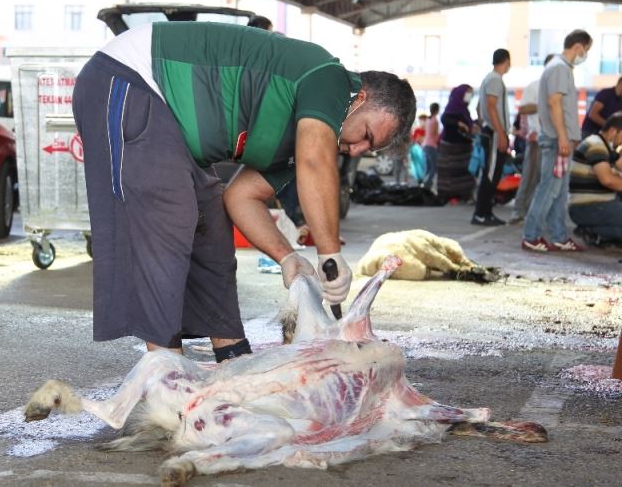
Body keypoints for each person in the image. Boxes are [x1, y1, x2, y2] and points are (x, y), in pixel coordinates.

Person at [71, 22, 416, 360]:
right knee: (169, 216)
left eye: (369, 150)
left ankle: (233, 359)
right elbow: (315, 162)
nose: (357, 150)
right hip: (129, 78)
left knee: (212, 229)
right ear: (360, 99)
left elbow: (241, 197)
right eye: (367, 135)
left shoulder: (297, 139)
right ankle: (166, 375)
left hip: (170, 124)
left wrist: (287, 257)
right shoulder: (330, 79)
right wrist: (329, 253)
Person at [522, 29, 593, 252]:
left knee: (559, 192)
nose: (585, 55)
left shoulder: (560, 67)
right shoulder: (559, 68)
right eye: (586, 50)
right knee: (548, 190)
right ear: (578, 46)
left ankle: (559, 236)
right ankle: (531, 236)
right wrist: (563, 136)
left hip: (559, 139)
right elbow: (554, 103)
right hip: (556, 139)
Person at [509, 54, 556, 224]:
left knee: (548, 180)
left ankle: (537, 213)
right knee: (530, 176)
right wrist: (543, 105)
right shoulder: (534, 86)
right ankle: (519, 211)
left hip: (554, 139)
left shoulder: (560, 90)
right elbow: (523, 109)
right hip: (537, 138)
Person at [568, 111, 622, 246]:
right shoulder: (595, 145)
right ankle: (594, 231)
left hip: (601, 204)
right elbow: (607, 180)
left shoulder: (606, 147)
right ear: (613, 131)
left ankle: (594, 232)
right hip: (589, 206)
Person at [471, 49, 511, 226]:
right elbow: (491, 105)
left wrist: (483, 125)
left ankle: (486, 212)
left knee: (492, 174)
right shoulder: (495, 79)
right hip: (494, 133)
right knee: (490, 174)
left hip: (491, 131)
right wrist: (500, 133)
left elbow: (479, 107)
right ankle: (481, 213)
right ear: (506, 61)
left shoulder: (488, 79)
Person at [437, 84, 477, 203]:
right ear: (461, 94)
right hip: (450, 149)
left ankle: (463, 195)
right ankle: (446, 196)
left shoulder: (465, 110)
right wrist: (459, 123)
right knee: (448, 173)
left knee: (463, 173)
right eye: (468, 93)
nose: (470, 96)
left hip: (463, 149)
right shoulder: (453, 106)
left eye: (471, 93)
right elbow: (445, 119)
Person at [422, 102, 440, 190]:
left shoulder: (428, 120)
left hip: (425, 145)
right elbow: (435, 135)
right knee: (434, 167)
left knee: (428, 167)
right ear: (437, 110)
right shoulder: (435, 121)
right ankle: (427, 184)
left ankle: (425, 184)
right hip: (431, 146)